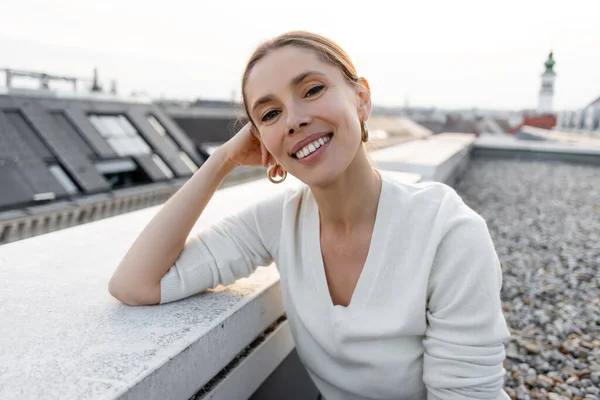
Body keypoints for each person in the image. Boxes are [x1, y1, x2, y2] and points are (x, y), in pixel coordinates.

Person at [109, 31, 511, 400]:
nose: (295, 119)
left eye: (313, 89)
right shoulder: (277, 222)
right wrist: (221, 160)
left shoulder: (448, 232)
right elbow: (135, 284)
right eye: (269, 115)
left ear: (361, 99)